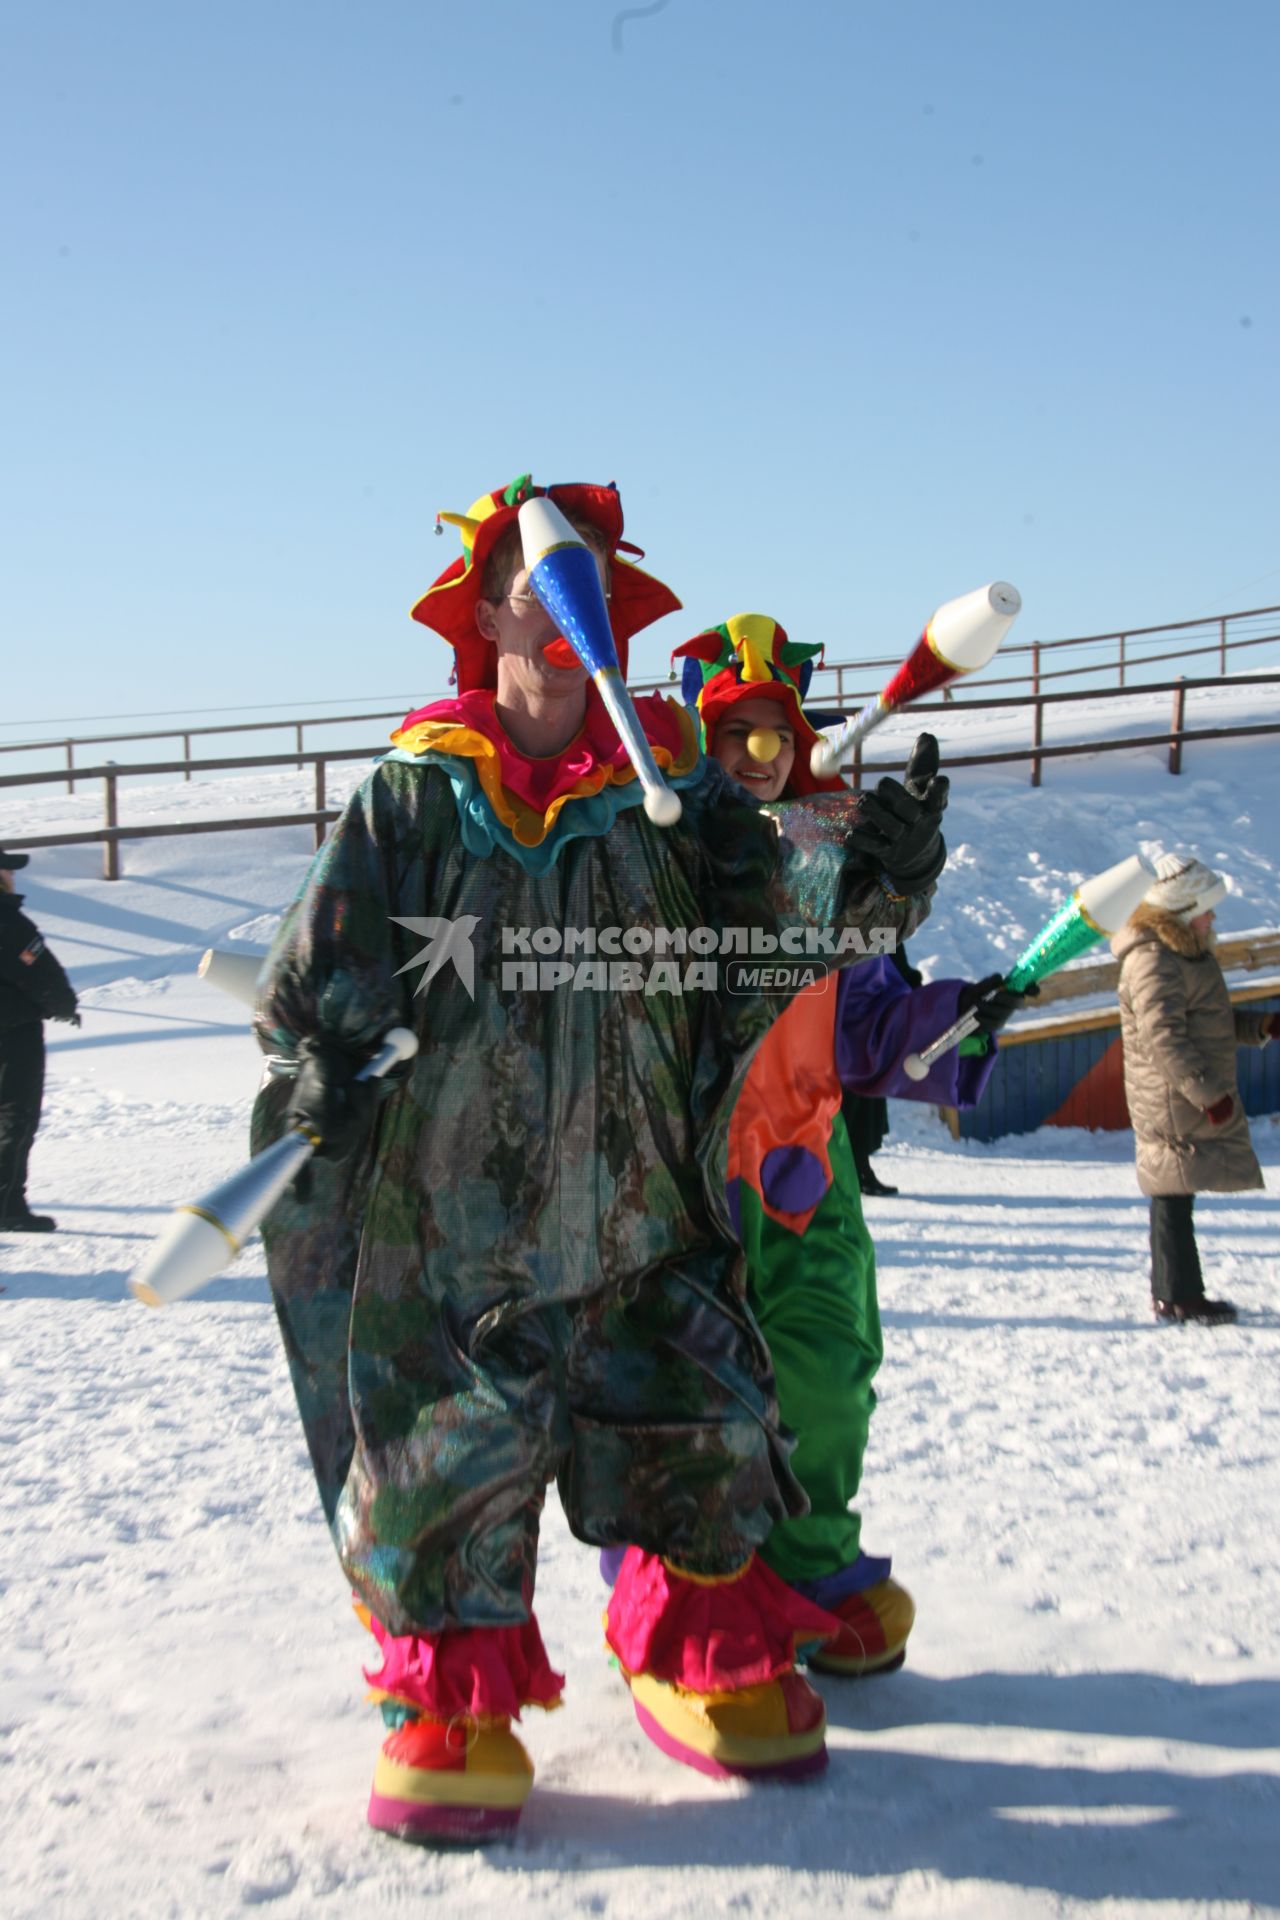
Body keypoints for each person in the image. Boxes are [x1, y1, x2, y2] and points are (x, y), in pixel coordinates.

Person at [250, 478, 946, 1843]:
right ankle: (452, 1697)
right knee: (447, 1458)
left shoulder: (670, 792)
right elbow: (325, 965)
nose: (562, 607)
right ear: (483, 614)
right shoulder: (415, 797)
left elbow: (774, 920)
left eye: (584, 585)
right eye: (530, 580)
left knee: (695, 1421)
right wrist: (321, 1052)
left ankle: (695, 1639)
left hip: (642, 1209)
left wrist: (870, 874)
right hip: (460, 1230)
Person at [675, 614, 1032, 1676]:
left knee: (827, 1375)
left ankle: (810, 1567)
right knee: (684, 1392)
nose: (757, 752)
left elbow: (867, 1026)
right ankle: (692, 1591)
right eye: (732, 733)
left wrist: (957, 1016)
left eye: (772, 731)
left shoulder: (836, 865)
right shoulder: (654, 859)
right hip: (678, 1175)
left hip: (801, 1173)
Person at [1113, 851, 1278, 1326]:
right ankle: (1177, 1296)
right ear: (1183, 910)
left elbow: (1207, 1020)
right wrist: (1209, 1095)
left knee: (1176, 1192)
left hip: (1180, 1092)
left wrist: (1261, 1026)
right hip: (1170, 1095)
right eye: (1206, 907)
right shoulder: (1152, 958)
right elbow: (1164, 1037)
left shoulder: (1182, 952)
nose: (1213, 917)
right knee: (1171, 1192)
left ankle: (1178, 1292)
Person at [0, 849, 79, 1232]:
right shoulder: (7, 922)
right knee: (15, 1115)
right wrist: (63, 1004)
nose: (12, 876)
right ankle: (6, 1206)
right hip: (11, 1032)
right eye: (6, 869)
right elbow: (39, 971)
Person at [842, 943, 925, 1197]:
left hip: (870, 1016)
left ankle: (859, 1167)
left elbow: (896, 960)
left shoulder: (882, 917)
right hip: (839, 1012)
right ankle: (849, 1170)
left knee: (865, 1095)